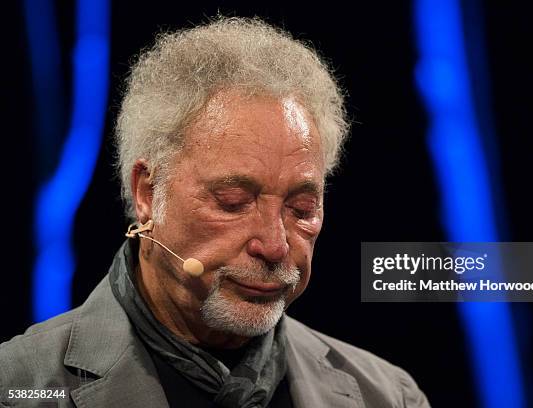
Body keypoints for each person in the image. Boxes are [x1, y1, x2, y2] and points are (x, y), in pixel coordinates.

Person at [0, 17, 429, 407]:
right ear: (148, 192)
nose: (275, 245)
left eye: (301, 208)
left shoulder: (389, 395)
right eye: (233, 203)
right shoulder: (17, 386)